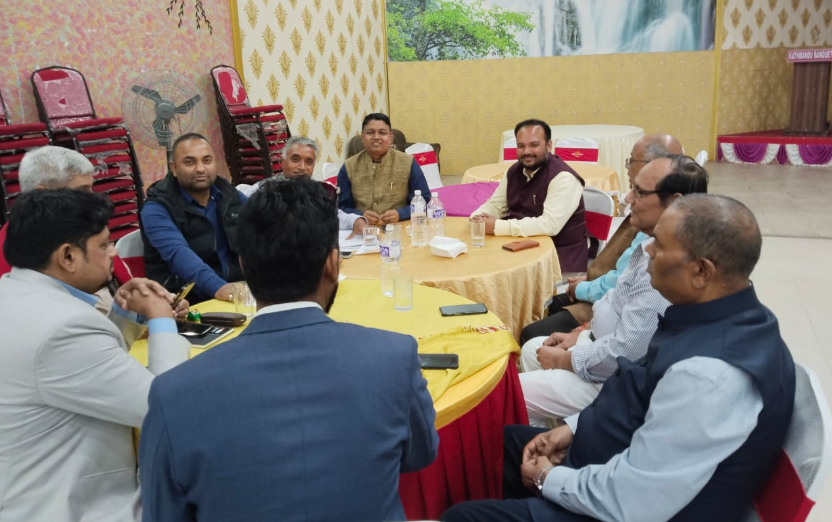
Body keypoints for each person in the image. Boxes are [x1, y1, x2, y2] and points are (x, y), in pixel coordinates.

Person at [442, 194, 796, 522]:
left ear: (702, 271)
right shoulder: (721, 314)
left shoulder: (709, 376)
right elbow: (640, 390)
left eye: (660, 246)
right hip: (602, 453)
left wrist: (547, 479)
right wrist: (571, 430)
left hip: (612, 503)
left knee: (460, 517)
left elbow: (634, 498)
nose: (648, 250)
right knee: (482, 445)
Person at [139, 177, 439, 522]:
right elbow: (420, 455)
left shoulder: (172, 393)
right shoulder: (395, 357)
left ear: (245, 265)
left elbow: (163, 513)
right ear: (333, 264)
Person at [0, 189, 190, 522]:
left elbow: (88, 370)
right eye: (104, 245)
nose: (114, 252)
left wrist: (126, 314)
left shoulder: (14, 292)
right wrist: (162, 319)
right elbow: (166, 408)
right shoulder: (62, 327)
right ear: (68, 256)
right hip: (71, 506)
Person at [520, 155, 708, 426]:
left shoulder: (667, 264)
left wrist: (567, 360)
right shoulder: (649, 243)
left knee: (513, 394)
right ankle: (560, 432)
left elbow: (626, 354)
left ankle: (560, 437)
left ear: (675, 202)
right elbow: (617, 302)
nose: (627, 199)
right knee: (532, 349)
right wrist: (581, 333)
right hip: (600, 345)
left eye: (639, 192)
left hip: (616, 379)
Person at [519, 134, 684, 344]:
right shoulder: (655, 211)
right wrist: (589, 281)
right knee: (549, 301)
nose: (628, 198)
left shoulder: (660, 228)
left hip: (609, 307)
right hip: (604, 292)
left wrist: (584, 293)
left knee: (532, 334)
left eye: (631, 160)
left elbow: (623, 289)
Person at [0, 146, 131, 297]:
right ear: (42, 193)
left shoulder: (89, 233)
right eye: (82, 191)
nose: (92, 198)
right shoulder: (13, 257)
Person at [470, 119, 588, 272]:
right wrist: (478, 218)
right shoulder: (514, 171)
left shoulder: (564, 178)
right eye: (521, 146)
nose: (526, 151)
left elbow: (549, 225)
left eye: (534, 145)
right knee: (477, 262)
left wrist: (496, 227)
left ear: (549, 146)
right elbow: (496, 205)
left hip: (558, 256)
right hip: (520, 247)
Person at [141, 133, 246, 303]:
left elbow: (264, 222)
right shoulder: (156, 208)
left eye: (207, 160)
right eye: (190, 162)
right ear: (174, 168)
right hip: (186, 301)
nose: (201, 168)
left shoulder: (227, 193)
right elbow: (179, 255)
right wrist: (219, 288)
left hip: (237, 288)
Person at [261, 135, 369, 238]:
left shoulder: (317, 189)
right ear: (282, 162)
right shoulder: (262, 191)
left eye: (309, 162)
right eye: (295, 159)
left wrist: (355, 221)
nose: (302, 167)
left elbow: (331, 214)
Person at [337, 113, 431, 225]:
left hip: (401, 227)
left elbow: (425, 200)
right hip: (363, 228)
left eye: (382, 133)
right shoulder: (349, 166)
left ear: (390, 137)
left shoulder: (408, 163)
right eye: (370, 132)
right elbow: (341, 208)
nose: (376, 137)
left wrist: (401, 214)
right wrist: (360, 215)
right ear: (362, 137)